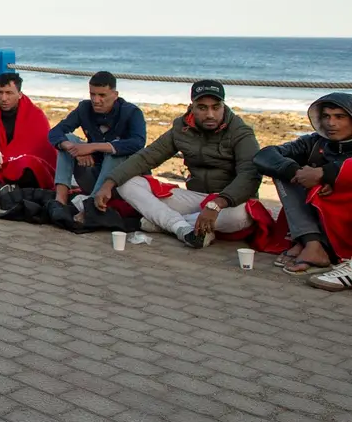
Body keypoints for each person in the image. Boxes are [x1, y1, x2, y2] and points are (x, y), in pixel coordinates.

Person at [95, 80, 260, 248]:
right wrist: (110, 182)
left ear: (223, 106)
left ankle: (162, 224)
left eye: (215, 107)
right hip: (195, 198)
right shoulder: (182, 128)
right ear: (192, 106)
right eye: (202, 107)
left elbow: (250, 175)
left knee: (241, 216)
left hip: (229, 202)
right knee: (127, 184)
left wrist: (217, 204)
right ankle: (182, 228)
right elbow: (147, 156)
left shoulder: (240, 132)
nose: (210, 114)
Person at [254, 92, 352, 280]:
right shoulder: (315, 143)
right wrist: (296, 173)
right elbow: (264, 155)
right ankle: (312, 243)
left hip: (345, 224)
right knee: (282, 174)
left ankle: (316, 245)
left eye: (340, 117)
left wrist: (326, 176)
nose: (331, 123)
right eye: (326, 116)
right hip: (319, 218)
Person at [48, 71, 146, 204]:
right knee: (68, 139)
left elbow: (138, 142)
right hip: (92, 173)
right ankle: (60, 201)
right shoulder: (84, 108)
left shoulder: (131, 112)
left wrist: (92, 147)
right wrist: (75, 150)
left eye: (102, 95)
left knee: (114, 151)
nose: (96, 100)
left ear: (115, 95)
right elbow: (55, 132)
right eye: (92, 94)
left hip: (121, 182)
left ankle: (93, 203)